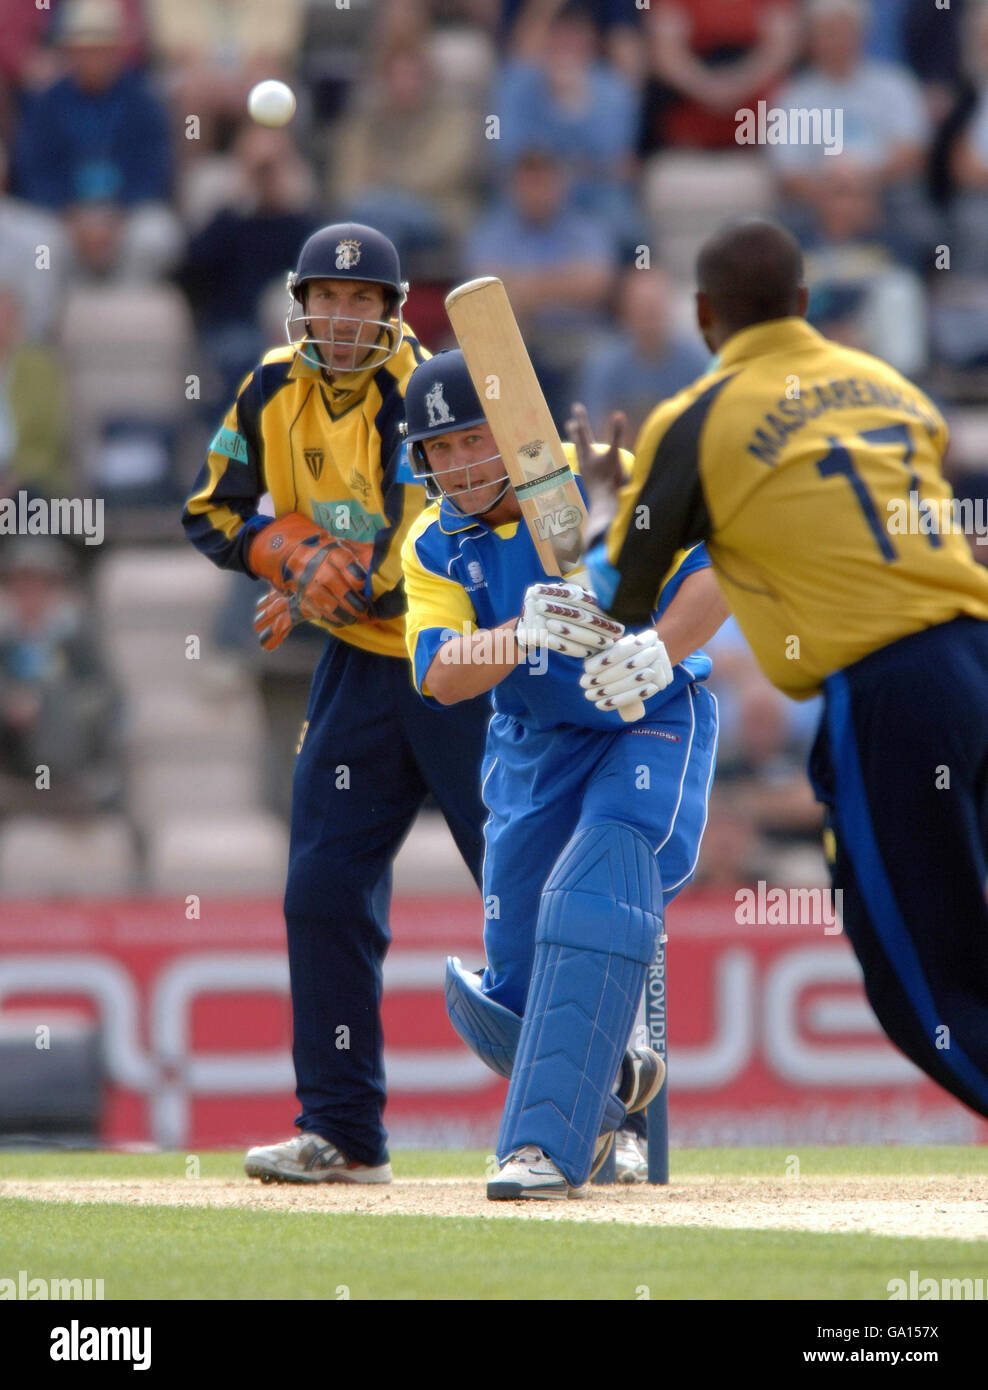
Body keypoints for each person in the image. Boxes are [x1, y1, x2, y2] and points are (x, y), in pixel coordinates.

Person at [591, 216, 988, 1124]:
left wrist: (613, 501)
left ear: (702, 316)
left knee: (924, 988)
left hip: (894, 692)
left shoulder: (693, 420)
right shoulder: (894, 387)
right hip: (978, 646)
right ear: (804, 304)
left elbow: (621, 594)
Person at [182, 224, 491, 1184]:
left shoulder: (429, 389)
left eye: (363, 301)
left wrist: (321, 566)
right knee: (320, 890)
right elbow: (212, 510)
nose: (344, 317)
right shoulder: (270, 385)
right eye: (329, 298)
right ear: (302, 303)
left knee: (519, 886)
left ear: (393, 312)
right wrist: (288, 555)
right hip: (361, 670)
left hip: (459, 658)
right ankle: (345, 1133)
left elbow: (424, 539)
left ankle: (588, 1106)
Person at [400, 350, 725, 1195]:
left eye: (474, 439)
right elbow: (438, 673)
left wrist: (660, 651)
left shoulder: (599, 481)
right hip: (533, 744)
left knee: (594, 886)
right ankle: (615, 1084)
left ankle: (541, 1148)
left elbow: (721, 577)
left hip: (643, 720)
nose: (458, 464)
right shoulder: (433, 543)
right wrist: (520, 633)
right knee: (504, 989)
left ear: (512, 434)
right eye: (439, 449)